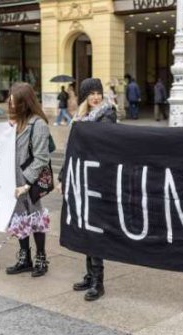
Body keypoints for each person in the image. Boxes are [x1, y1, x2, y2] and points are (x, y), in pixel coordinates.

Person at [67, 78, 116, 301]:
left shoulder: (107, 114)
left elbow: (104, 142)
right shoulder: (81, 118)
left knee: (94, 228)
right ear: (85, 97)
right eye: (91, 94)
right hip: (83, 177)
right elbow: (74, 150)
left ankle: (99, 281)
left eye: (98, 93)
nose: (96, 97)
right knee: (86, 226)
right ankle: (89, 274)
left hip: (100, 179)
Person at [5, 82, 52, 278]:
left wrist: (26, 183)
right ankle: (25, 258)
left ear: (23, 101)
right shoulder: (14, 123)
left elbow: (42, 157)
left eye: (13, 98)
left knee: (35, 217)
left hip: (27, 181)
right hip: (13, 180)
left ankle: (41, 257)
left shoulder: (38, 124)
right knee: (19, 218)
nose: (10, 101)